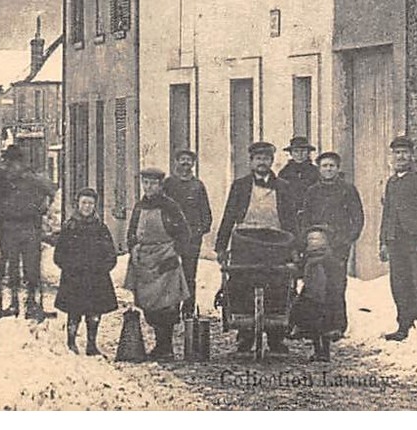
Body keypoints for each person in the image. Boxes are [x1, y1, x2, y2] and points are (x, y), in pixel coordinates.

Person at [215, 141, 302, 353]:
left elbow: (290, 219)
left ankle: (276, 338)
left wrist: (295, 247)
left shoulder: (283, 186)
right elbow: (228, 216)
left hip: (276, 243)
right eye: (258, 159)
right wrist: (221, 246)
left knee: (278, 284)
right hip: (245, 243)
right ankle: (245, 334)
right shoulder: (240, 185)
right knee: (242, 281)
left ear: (272, 161)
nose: (262, 163)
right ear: (251, 161)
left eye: (266, 159)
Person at [124, 167, 191, 359]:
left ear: (161, 185)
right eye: (145, 183)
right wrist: (133, 246)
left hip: (165, 260)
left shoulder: (170, 206)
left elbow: (184, 234)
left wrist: (173, 254)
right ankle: (158, 344)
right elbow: (131, 232)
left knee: (167, 306)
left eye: (153, 183)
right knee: (147, 305)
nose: (148, 187)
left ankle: (165, 346)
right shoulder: (139, 206)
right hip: (144, 261)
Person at [0, 144, 55, 321]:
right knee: (12, 268)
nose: (12, 166)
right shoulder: (1, 180)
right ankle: (14, 302)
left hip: (30, 227)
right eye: (9, 162)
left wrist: (43, 207)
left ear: (20, 162)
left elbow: (50, 191)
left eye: (14, 162)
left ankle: (31, 302)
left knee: (32, 268)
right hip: (10, 229)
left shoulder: (31, 179)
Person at [378, 135, 417, 341]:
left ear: (412, 155)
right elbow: (387, 214)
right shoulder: (392, 182)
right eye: (397, 153)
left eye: (404, 152)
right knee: (399, 283)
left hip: (416, 239)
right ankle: (404, 324)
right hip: (396, 240)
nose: (401, 156)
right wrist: (384, 242)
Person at [299, 150, 363, 337]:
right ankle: (311, 325)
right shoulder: (312, 191)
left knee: (336, 283)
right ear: (319, 169)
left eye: (332, 166)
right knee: (314, 282)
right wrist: (308, 237)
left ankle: (336, 326)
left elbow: (357, 218)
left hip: (338, 244)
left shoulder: (348, 190)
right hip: (316, 243)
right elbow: (305, 217)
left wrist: (347, 239)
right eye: (325, 166)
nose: (328, 169)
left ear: (338, 168)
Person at [54, 187, 118, 355]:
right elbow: (58, 254)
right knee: (74, 311)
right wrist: (70, 269)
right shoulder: (69, 227)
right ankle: (71, 342)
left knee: (94, 312)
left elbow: (111, 253)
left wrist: (102, 269)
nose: (87, 207)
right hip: (74, 278)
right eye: (84, 203)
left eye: (91, 203)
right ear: (78, 204)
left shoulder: (100, 228)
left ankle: (91, 344)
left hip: (96, 278)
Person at [161, 149, 213, 317]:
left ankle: (188, 309)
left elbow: (206, 212)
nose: (185, 163)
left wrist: (200, 230)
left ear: (193, 164)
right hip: (172, 237)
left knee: (189, 274)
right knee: (172, 272)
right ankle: (172, 308)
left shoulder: (198, 185)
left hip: (192, 238)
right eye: (182, 160)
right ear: (176, 162)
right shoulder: (168, 184)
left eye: (188, 160)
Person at [291, 226, 343, 362]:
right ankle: (318, 350)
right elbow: (300, 271)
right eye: (311, 239)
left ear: (325, 242)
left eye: (317, 239)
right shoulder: (308, 259)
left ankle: (324, 352)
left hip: (325, 298)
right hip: (311, 297)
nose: (314, 242)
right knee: (314, 326)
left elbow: (336, 279)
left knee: (323, 326)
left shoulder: (329, 260)